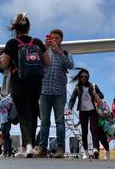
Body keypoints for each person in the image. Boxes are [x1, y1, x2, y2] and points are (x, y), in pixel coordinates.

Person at [1, 12, 50, 158]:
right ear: (29, 28)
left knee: (23, 114)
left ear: (16, 28)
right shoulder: (37, 42)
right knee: (33, 112)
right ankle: (32, 145)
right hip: (36, 82)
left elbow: (4, 64)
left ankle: (27, 146)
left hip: (19, 82)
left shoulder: (12, 43)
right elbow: (48, 62)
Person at [34, 29, 74, 158]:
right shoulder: (43, 52)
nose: (54, 40)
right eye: (52, 38)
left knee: (60, 121)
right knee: (45, 122)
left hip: (59, 92)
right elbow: (34, 62)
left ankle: (60, 149)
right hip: (44, 91)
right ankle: (42, 148)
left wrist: (59, 52)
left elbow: (70, 65)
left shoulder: (66, 53)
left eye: (57, 38)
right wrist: (42, 49)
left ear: (61, 39)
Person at [67, 68, 104, 159]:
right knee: (84, 132)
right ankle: (86, 152)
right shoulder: (77, 87)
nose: (84, 78)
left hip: (92, 111)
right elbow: (72, 100)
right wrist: (69, 109)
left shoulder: (93, 86)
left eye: (86, 76)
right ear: (79, 77)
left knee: (94, 129)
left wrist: (96, 95)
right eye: (82, 76)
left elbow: (102, 95)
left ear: (88, 77)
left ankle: (95, 149)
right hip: (82, 111)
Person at [94, 94, 113, 160]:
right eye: (95, 99)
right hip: (96, 125)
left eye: (98, 98)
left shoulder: (103, 104)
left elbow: (104, 114)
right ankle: (97, 154)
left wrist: (97, 108)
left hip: (104, 125)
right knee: (97, 140)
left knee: (103, 140)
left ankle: (107, 152)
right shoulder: (94, 106)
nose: (97, 100)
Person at [0, 93, 13, 157]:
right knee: (7, 136)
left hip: (4, 120)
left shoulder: (3, 100)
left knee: (5, 137)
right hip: (8, 119)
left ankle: (5, 152)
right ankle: (9, 152)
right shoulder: (8, 98)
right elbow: (3, 103)